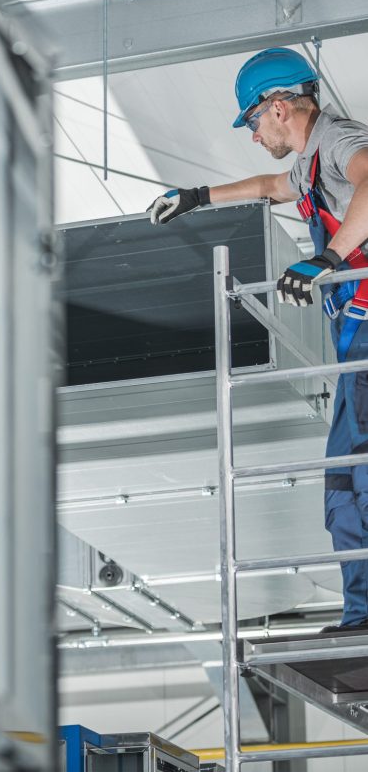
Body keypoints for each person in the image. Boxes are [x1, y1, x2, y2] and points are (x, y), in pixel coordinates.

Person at [147, 47, 368, 633]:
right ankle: (362, 614)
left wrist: (326, 258)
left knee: (363, 470)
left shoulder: (341, 140)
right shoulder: (308, 162)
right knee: (345, 479)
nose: (250, 132)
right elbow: (273, 185)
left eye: (249, 120)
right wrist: (198, 197)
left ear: (277, 107)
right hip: (354, 338)